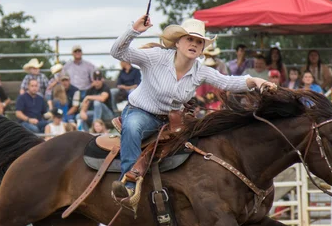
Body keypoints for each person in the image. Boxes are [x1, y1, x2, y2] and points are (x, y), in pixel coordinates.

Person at [109, 15, 277, 203]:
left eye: (199, 41)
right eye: (189, 39)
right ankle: (129, 184)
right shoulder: (155, 57)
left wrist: (255, 81)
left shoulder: (201, 70)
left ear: (202, 48)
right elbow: (118, 52)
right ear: (178, 42)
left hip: (174, 119)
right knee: (132, 128)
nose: (194, 44)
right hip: (141, 112)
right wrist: (134, 30)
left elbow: (228, 81)